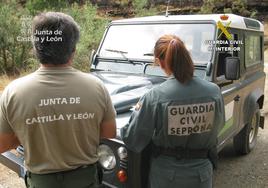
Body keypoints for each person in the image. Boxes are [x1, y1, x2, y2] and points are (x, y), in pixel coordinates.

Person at [0, 12, 116, 188]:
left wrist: (29, 133)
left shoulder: (13, 92)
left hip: (41, 182)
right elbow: (109, 132)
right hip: (85, 180)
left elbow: (3, 144)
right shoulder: (96, 86)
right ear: (73, 50)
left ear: (36, 49)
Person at [121, 34, 225, 188]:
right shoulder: (214, 91)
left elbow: (133, 139)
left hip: (166, 176)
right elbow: (219, 125)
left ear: (160, 61)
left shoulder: (154, 96)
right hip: (201, 174)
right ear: (186, 57)